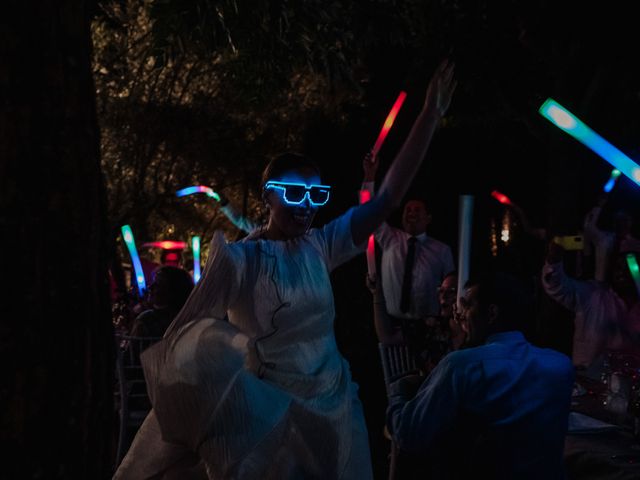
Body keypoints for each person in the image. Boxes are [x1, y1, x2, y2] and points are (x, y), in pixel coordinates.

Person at [115, 59, 457, 479]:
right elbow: (188, 335)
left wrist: (428, 116)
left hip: (334, 404)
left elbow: (385, 199)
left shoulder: (321, 244)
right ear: (268, 198)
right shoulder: (241, 260)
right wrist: (200, 411)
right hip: (270, 414)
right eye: (294, 193)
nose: (307, 203)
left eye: (316, 193)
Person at [387, 271, 574, 480]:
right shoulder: (561, 365)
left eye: (468, 305)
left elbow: (409, 433)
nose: (462, 314)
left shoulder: (462, 366)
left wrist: (398, 391)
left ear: (491, 313)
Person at [362, 155, 455, 335]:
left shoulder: (442, 250)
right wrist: (369, 175)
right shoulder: (390, 238)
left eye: (417, 210)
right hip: (393, 326)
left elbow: (451, 290)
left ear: (428, 218)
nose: (412, 213)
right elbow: (368, 212)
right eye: (408, 209)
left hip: (431, 328)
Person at [542, 240, 640, 376]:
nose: (621, 273)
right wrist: (554, 261)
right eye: (618, 267)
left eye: (629, 267)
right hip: (590, 383)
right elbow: (557, 285)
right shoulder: (592, 295)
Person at [368, 271, 462, 374]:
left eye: (451, 291)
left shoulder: (474, 330)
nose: (443, 296)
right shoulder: (430, 326)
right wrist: (377, 294)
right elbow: (387, 336)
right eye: (441, 291)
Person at [130, 265, 195, 338]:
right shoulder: (190, 320)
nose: (150, 287)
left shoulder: (146, 320)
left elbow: (134, 348)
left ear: (172, 292)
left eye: (158, 284)